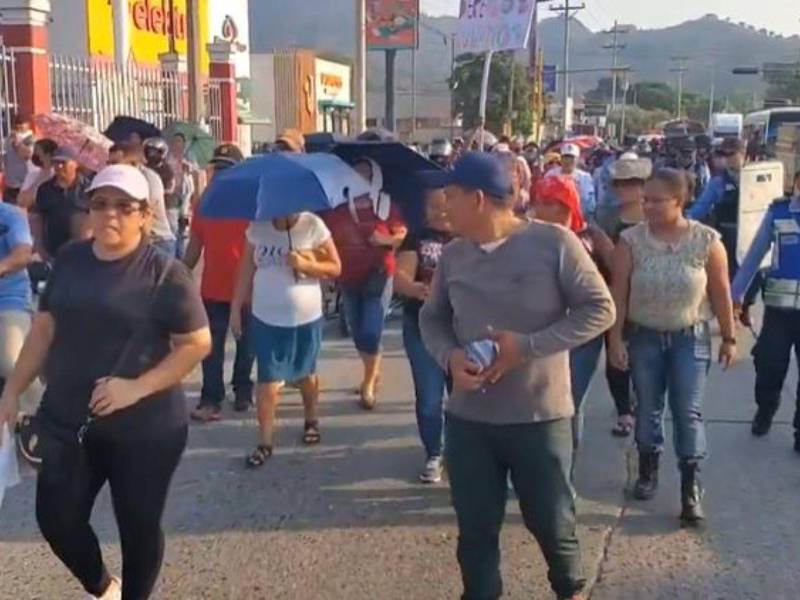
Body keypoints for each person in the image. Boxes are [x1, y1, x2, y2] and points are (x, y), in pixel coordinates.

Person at [0, 164, 210, 600]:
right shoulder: (71, 259)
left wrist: (136, 387)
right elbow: (44, 329)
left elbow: (196, 343)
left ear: (145, 215)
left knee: (138, 525)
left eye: (123, 206)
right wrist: (13, 388)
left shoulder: (165, 273)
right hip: (68, 418)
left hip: (146, 427)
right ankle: (102, 587)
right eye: (99, 203)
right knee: (56, 517)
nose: (110, 213)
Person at [420, 153, 615, 600]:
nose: (443, 205)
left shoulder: (554, 244)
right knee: (475, 531)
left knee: (552, 523)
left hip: (538, 418)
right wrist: (450, 357)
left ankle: (570, 589)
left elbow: (600, 309)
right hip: (470, 420)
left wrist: (526, 347)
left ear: (479, 199)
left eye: (450, 195)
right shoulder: (454, 255)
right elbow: (432, 319)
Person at [608, 168, 737, 525]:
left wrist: (729, 337)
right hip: (644, 337)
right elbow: (619, 293)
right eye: (645, 199)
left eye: (656, 200)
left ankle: (690, 485)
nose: (647, 206)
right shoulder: (630, 241)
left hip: (689, 338)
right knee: (648, 406)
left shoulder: (706, 241)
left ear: (680, 201)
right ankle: (647, 469)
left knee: (687, 411)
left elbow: (721, 292)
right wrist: (615, 338)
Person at [231, 211, 341, 467]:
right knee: (268, 379)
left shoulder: (313, 224)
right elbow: (246, 269)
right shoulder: (258, 226)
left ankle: (311, 418)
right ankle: (265, 442)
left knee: (306, 374)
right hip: (266, 317)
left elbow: (335, 266)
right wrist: (235, 307)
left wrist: (306, 265)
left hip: (306, 317)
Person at [530, 175, 614, 478]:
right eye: (538, 201)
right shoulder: (529, 237)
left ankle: (564, 475)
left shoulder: (592, 237)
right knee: (536, 404)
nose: (538, 208)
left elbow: (617, 278)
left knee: (570, 404)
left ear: (564, 205)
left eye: (547, 203)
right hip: (540, 333)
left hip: (581, 336)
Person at [324, 158, 407, 409]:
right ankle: (373, 369)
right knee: (357, 331)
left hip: (378, 274)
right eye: (356, 173)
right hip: (348, 276)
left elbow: (401, 234)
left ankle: (369, 383)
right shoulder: (338, 206)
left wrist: (385, 240)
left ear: (375, 177)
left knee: (371, 330)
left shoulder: (385, 204)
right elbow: (325, 237)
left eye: (365, 174)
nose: (360, 178)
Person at [185, 143, 256, 421]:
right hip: (213, 289)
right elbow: (195, 245)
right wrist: (180, 273)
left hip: (247, 289)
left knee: (247, 346)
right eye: (218, 169)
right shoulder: (205, 203)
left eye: (228, 170)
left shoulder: (253, 203)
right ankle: (211, 397)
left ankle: (242, 389)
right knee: (210, 348)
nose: (222, 175)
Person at [731, 170, 800, 453]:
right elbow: (753, 258)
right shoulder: (778, 214)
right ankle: (766, 408)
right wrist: (734, 296)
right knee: (769, 367)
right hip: (779, 313)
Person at [395, 188, 453, 483]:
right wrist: (414, 288)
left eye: (446, 205)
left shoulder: (470, 237)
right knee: (430, 399)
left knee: (465, 399)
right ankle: (435, 452)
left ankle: (462, 450)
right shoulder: (416, 237)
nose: (440, 212)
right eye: (434, 206)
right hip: (422, 328)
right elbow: (400, 277)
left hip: (463, 331)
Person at [602, 155, 652, 437]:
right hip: (612, 295)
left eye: (632, 183)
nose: (625, 189)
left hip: (647, 298)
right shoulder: (606, 217)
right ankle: (624, 411)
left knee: (643, 358)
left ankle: (644, 407)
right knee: (615, 356)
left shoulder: (654, 219)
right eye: (620, 183)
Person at [688, 137, 747, 279]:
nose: (727, 158)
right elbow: (702, 206)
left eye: (731, 154)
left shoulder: (758, 177)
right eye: (724, 154)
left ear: (743, 154)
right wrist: (684, 219)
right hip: (728, 236)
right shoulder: (718, 181)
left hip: (751, 236)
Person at [108, 142, 177, 258]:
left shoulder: (148, 178)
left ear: (133, 163)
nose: (111, 168)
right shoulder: (121, 179)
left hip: (157, 242)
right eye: (109, 163)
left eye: (115, 163)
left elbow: (146, 214)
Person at [31, 148, 91, 262]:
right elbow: (37, 218)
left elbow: (94, 219)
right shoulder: (45, 189)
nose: (59, 166)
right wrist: (39, 247)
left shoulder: (89, 190)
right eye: (56, 162)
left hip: (81, 253)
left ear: (75, 164)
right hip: (51, 252)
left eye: (63, 162)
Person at [0, 199, 34, 394]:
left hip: (9, 299)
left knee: (11, 362)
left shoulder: (10, 215)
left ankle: (34, 408)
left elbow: (23, 255)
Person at [547, 143, 596, 218]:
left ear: (577, 159)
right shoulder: (551, 174)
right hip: (553, 216)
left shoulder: (585, 177)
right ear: (561, 158)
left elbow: (589, 203)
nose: (568, 161)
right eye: (565, 157)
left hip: (577, 216)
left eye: (571, 158)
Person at [17, 138, 58, 210]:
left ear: (48, 155)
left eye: (37, 152)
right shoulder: (33, 173)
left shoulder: (57, 176)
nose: (34, 155)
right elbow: (21, 200)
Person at [3, 117, 35, 205]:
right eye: (17, 123)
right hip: (10, 184)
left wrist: (17, 144)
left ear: (28, 124)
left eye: (21, 123)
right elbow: (6, 156)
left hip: (23, 185)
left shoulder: (30, 139)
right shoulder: (9, 138)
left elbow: (28, 155)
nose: (19, 126)